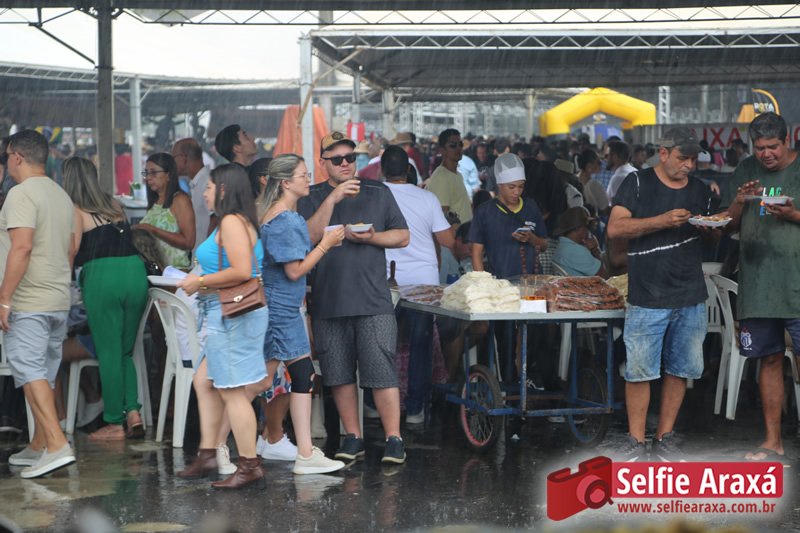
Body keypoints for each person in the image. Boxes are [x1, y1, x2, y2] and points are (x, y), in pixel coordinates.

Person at [297, 131, 410, 464]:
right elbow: (307, 236)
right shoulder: (311, 196)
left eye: (350, 157)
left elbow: (403, 236)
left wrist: (371, 238)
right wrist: (332, 199)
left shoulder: (377, 190)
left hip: (373, 299)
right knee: (339, 374)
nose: (345, 164)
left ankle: (394, 439)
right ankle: (353, 436)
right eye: (337, 160)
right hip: (328, 300)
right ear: (323, 163)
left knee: (382, 371)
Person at [607, 126, 714, 462]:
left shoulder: (700, 189)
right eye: (683, 158)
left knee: (680, 369)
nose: (689, 165)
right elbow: (615, 228)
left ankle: (664, 437)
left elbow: (715, 235)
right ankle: (636, 440)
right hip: (647, 294)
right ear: (664, 153)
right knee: (640, 371)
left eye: (694, 159)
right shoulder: (637, 183)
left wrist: (715, 224)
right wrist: (662, 221)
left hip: (690, 293)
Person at [177, 164, 270, 489]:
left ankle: (249, 466)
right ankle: (208, 454)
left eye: (209, 186)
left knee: (232, 392)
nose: (204, 192)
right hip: (227, 314)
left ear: (224, 190)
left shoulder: (231, 221)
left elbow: (243, 270)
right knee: (204, 382)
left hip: (233, 315)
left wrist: (199, 281)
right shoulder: (237, 220)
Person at [258, 153, 346, 474]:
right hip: (281, 310)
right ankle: (217, 445)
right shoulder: (285, 219)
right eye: (303, 176)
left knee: (299, 375)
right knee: (260, 381)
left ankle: (305, 453)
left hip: (280, 308)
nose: (309, 180)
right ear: (285, 183)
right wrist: (326, 244)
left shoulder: (275, 214)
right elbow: (294, 271)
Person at [721, 112, 800, 461]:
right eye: (759, 147)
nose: (766, 154)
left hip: (797, 284)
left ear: (787, 141)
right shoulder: (745, 171)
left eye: (773, 147)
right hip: (759, 284)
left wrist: (794, 216)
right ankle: (772, 442)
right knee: (768, 360)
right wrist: (739, 202)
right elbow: (727, 225)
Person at [1, 130, 76, 478]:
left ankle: (57, 445)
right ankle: (39, 443)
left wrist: (4, 298)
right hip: (57, 297)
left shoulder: (21, 194)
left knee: (30, 371)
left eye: (6, 156)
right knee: (42, 373)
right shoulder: (61, 195)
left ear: (17, 157)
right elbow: (70, 249)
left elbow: (22, 247)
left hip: (28, 298)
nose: (6, 163)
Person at [63, 157, 150, 440]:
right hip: (134, 272)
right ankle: (133, 413)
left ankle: (114, 422)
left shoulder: (75, 209)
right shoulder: (113, 204)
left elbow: (71, 251)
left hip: (103, 277)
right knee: (124, 351)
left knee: (109, 352)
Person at [382, 145, 454, 423]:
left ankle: (374, 405)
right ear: (409, 170)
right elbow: (447, 241)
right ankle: (415, 409)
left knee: (381, 345)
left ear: (382, 170)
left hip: (386, 282)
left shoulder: (376, 195)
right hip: (423, 284)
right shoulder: (427, 198)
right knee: (420, 345)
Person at [134, 153, 195, 269]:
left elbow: (189, 241)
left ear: (168, 175)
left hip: (174, 271)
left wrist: (153, 230)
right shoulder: (155, 201)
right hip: (156, 271)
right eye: (146, 173)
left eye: (153, 173)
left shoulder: (180, 200)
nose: (148, 177)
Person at [172, 138, 217, 252]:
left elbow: (216, 218)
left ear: (184, 157)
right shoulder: (198, 182)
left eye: (173, 157)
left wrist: (207, 252)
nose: (172, 163)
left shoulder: (206, 183)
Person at [427, 128, 473, 223]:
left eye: (460, 144)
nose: (458, 148)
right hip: (457, 232)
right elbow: (442, 217)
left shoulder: (457, 175)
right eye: (453, 145)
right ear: (442, 150)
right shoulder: (442, 177)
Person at [551, 206, 606, 278]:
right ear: (578, 229)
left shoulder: (560, 245)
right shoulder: (577, 251)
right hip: (584, 285)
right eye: (587, 227)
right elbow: (604, 276)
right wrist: (596, 251)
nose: (588, 231)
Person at [577, 149, 610, 216]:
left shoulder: (574, 180)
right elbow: (606, 210)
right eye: (598, 162)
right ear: (589, 166)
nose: (601, 165)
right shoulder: (595, 185)